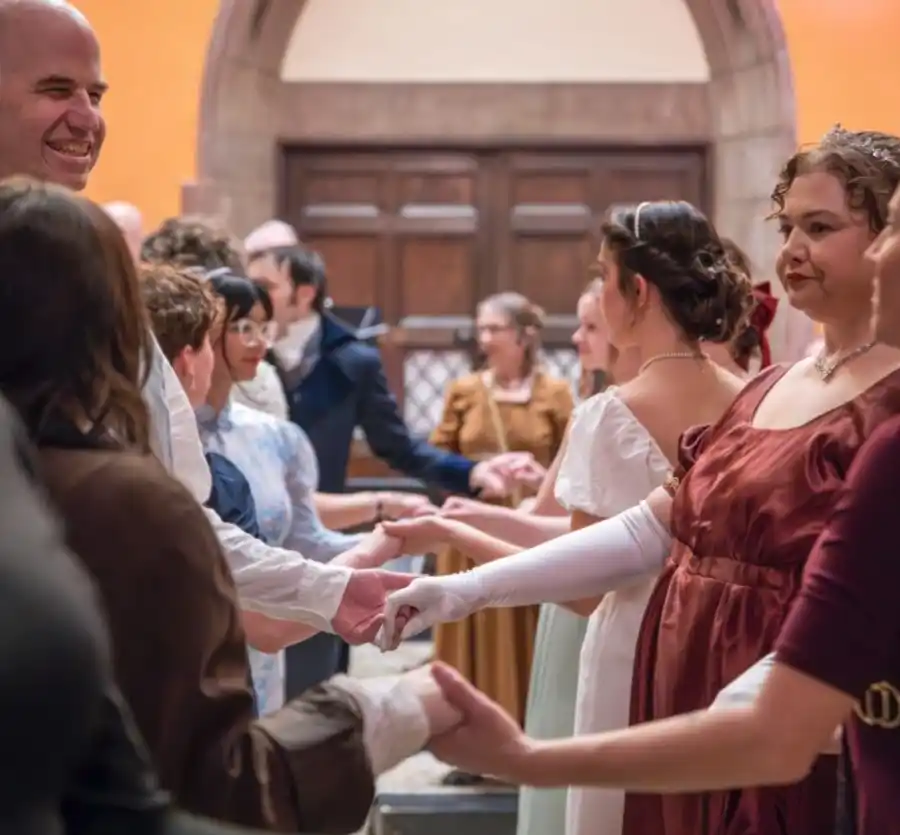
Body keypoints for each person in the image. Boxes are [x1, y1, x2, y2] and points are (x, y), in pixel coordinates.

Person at [382, 127, 900, 835]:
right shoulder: (764, 388)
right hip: (675, 690)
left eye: (821, 227)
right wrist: (462, 588)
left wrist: (744, 710)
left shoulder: (886, 409)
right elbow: (648, 530)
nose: (791, 251)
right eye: (787, 226)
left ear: (884, 238)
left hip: (784, 721)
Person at [0, 175, 470, 830]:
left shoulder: (222, 450)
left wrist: (339, 575)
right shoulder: (127, 498)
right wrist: (383, 717)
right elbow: (185, 784)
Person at [0, 0, 420, 645]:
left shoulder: (109, 296)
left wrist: (328, 588)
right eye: (56, 90)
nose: (86, 118)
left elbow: (179, 511)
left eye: (96, 94)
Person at [384, 201, 749, 833]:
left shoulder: (609, 413)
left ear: (635, 290)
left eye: (603, 278)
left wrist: (459, 564)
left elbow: (582, 592)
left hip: (632, 651)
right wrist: (458, 529)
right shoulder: (755, 395)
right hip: (724, 645)